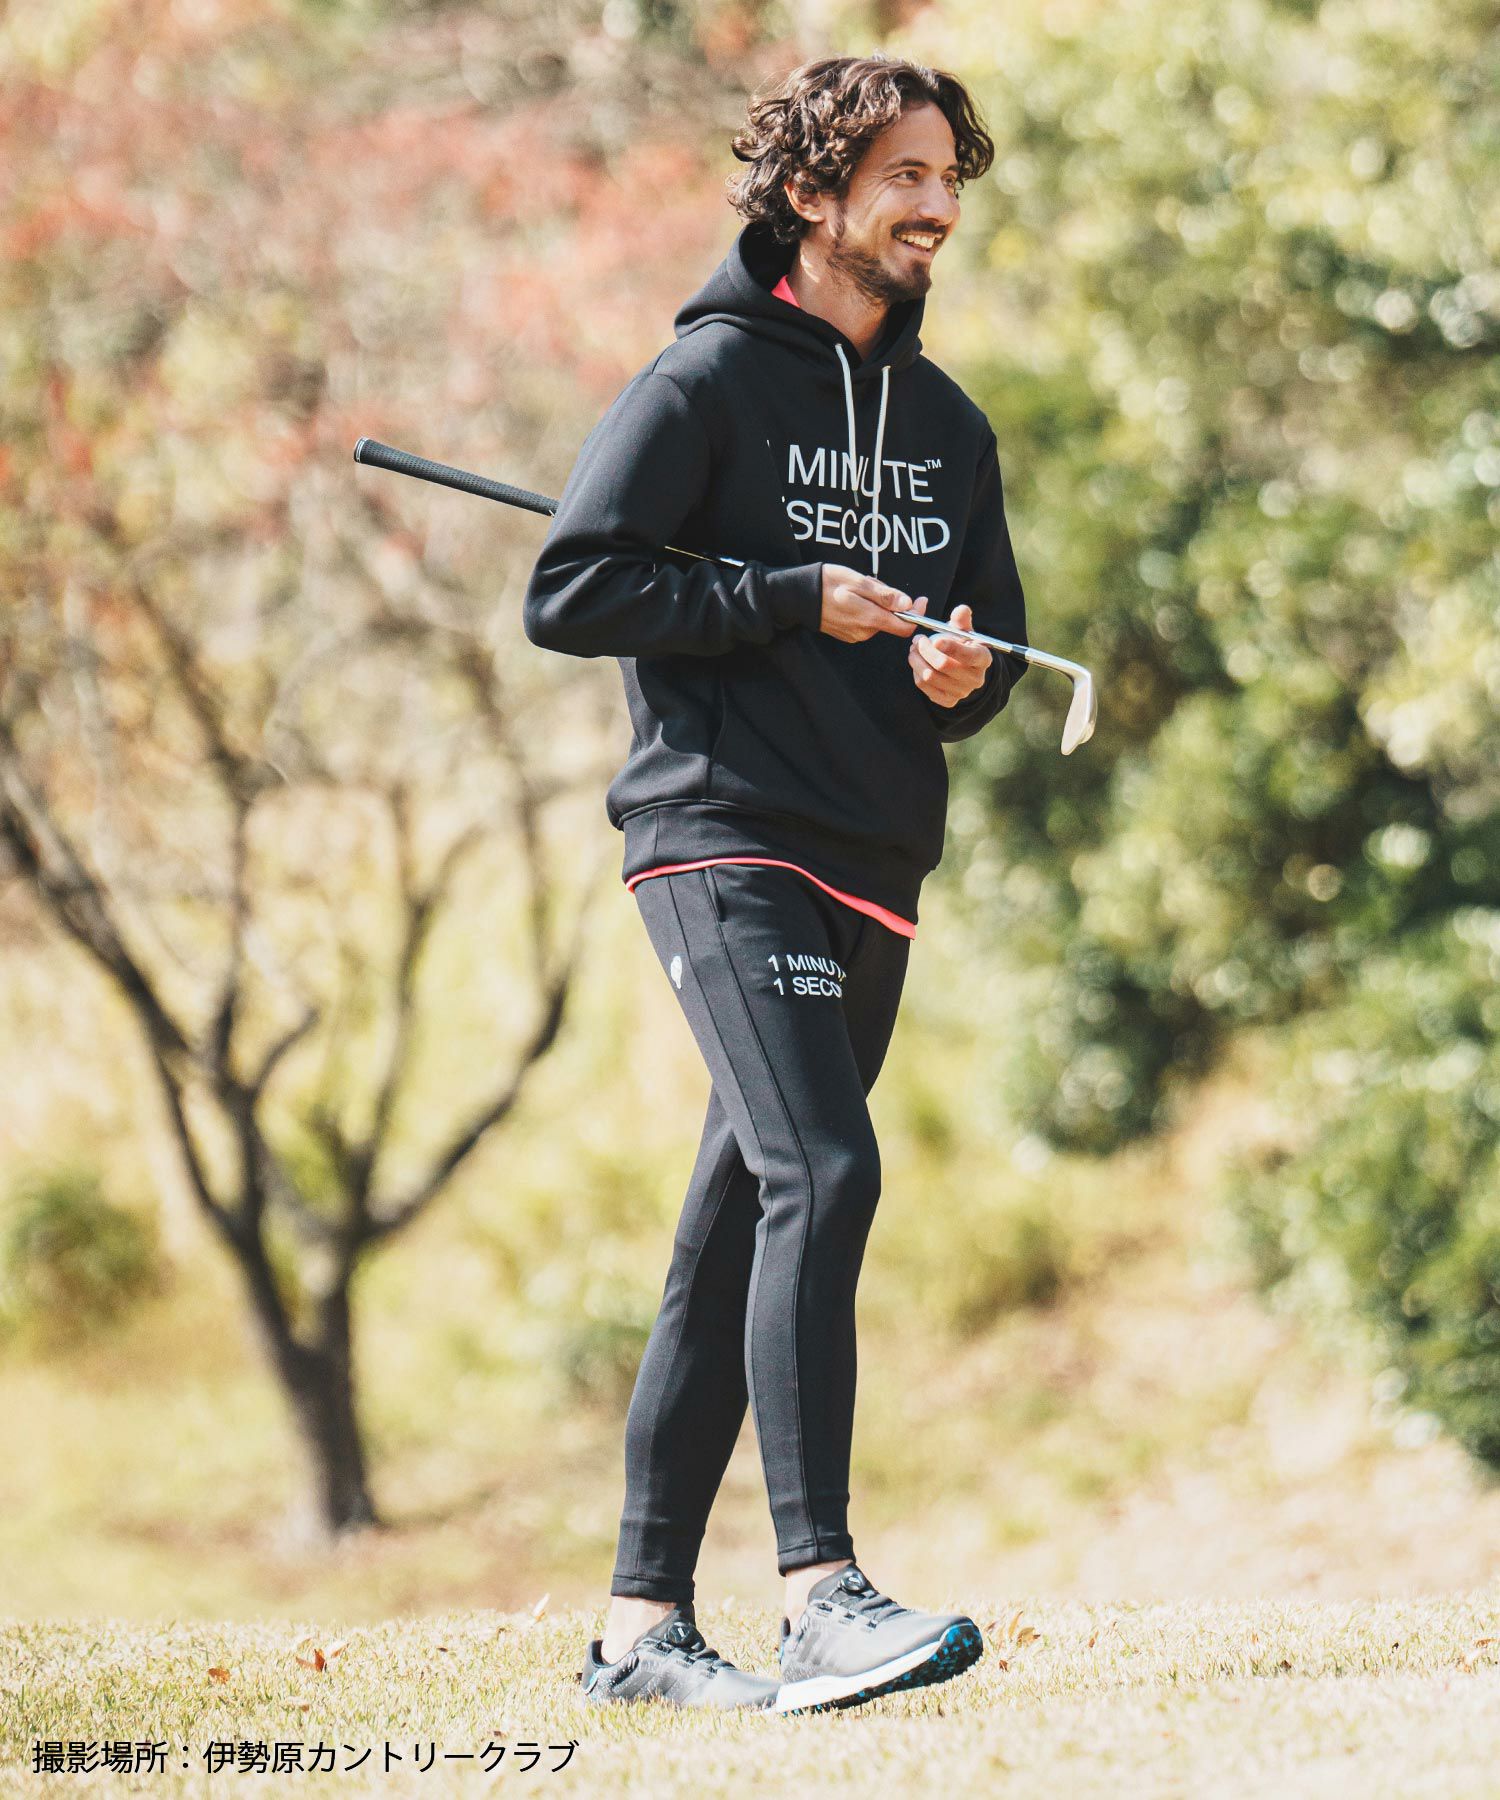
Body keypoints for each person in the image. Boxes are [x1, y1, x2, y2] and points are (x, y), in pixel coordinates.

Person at [523, 50, 1029, 1715]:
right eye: (904, 176)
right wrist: (782, 596)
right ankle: (821, 1593)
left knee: (745, 1212)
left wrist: (961, 673)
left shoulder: (950, 431)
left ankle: (637, 1631)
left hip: (873, 856)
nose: (937, 207)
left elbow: (992, 649)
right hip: (721, 830)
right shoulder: (703, 383)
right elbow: (574, 588)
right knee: (824, 1165)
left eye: (949, 178)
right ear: (813, 194)